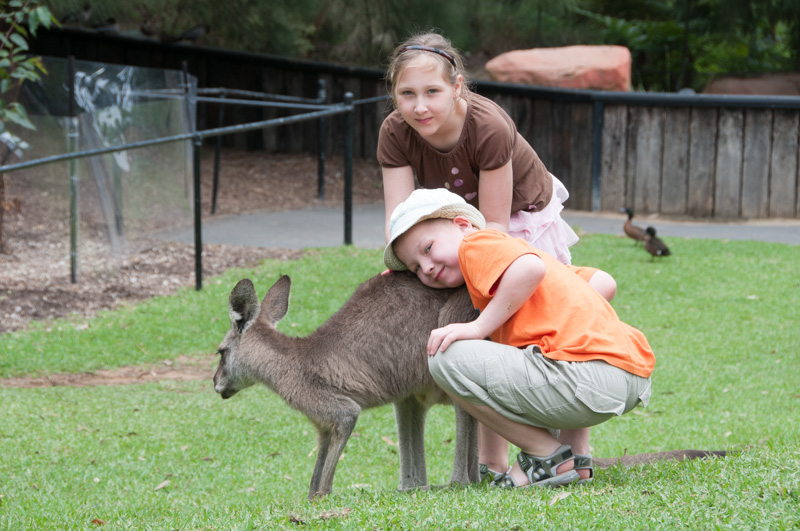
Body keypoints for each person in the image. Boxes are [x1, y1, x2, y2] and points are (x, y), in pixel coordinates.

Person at [377, 31, 620, 482]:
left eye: (432, 91)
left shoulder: (487, 125)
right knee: (487, 338)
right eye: (406, 94)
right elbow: (401, 223)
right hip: (449, 230)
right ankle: (493, 463)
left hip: (513, 220)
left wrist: (477, 300)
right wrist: (409, 267)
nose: (420, 106)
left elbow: (496, 232)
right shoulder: (395, 132)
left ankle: (574, 449)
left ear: (458, 86)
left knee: (541, 330)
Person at [383, 188, 655, 488]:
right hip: (630, 376)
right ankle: (577, 459)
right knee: (561, 346)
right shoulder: (524, 255)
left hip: (588, 381)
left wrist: (477, 328)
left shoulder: (476, 243)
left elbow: (529, 268)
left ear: (461, 225)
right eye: (416, 268)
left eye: (428, 248)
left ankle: (545, 455)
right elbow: (604, 282)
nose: (428, 267)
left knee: (445, 359)